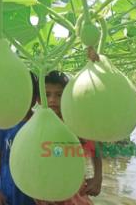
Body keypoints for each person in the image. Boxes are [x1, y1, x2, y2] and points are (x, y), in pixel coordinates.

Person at [34, 70, 102, 205]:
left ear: (67, 96)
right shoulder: (35, 126)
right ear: (39, 99)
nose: (52, 100)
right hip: (45, 196)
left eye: (59, 95)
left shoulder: (76, 123)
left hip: (76, 195)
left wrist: (98, 177)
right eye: (47, 95)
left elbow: (95, 149)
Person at [0, 73, 39, 205]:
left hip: (35, 192)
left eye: (28, 94)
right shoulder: (3, 123)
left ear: (35, 98)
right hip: (8, 189)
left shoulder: (40, 123)